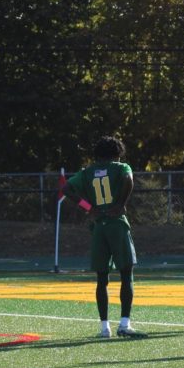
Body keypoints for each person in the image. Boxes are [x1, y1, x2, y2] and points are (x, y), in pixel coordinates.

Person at [64, 136, 145, 339]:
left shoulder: (88, 172)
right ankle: (124, 323)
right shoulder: (121, 167)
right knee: (126, 273)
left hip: (99, 225)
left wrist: (89, 208)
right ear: (117, 153)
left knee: (102, 278)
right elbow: (128, 180)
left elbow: (66, 189)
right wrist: (120, 204)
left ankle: (104, 327)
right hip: (117, 224)